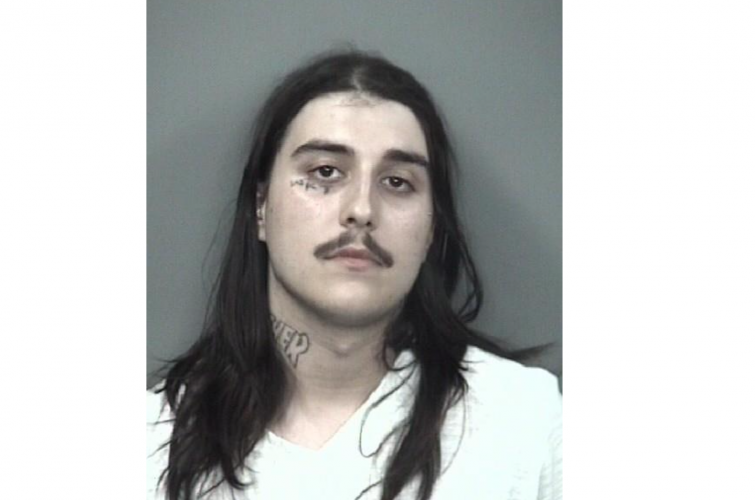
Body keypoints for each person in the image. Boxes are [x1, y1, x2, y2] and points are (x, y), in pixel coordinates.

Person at [147, 49, 562, 500]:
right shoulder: (149, 444)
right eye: (325, 172)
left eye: (397, 181)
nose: (362, 209)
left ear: (431, 229)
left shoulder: (525, 421)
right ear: (261, 207)